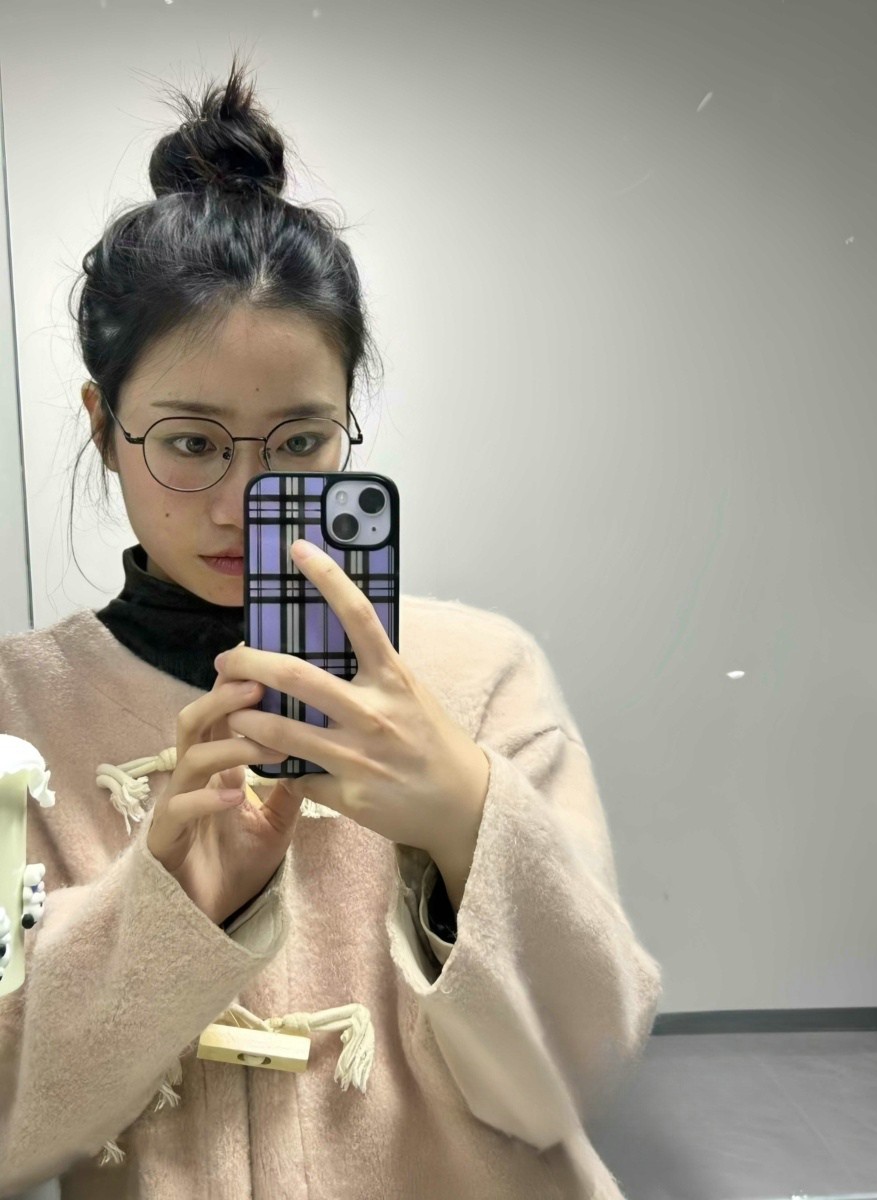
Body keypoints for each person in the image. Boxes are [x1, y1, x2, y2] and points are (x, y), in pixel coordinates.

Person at [0, 55, 663, 1200]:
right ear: (104, 425)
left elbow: (580, 1077)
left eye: (300, 443)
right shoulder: (20, 717)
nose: (242, 502)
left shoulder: (481, 677)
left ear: (348, 420)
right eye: (191, 442)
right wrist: (164, 913)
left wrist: (468, 824)